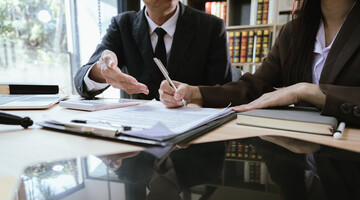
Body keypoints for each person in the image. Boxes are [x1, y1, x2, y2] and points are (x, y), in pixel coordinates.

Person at [159, 0, 360, 126]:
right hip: (304, 152)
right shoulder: (293, 31)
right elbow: (254, 88)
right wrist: (196, 93)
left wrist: (307, 91)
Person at [74, 0, 232, 100]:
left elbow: (223, 94)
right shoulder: (122, 25)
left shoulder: (211, 27)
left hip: (194, 135)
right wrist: (102, 71)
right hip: (140, 135)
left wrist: (192, 98)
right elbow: (82, 81)